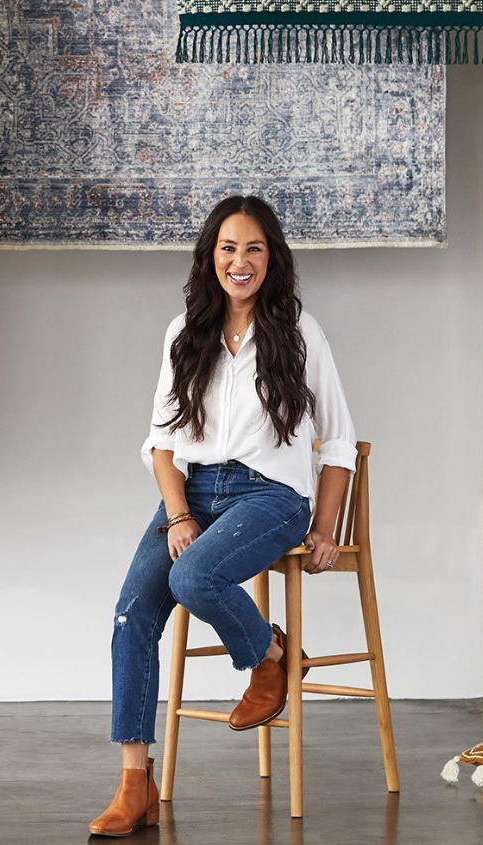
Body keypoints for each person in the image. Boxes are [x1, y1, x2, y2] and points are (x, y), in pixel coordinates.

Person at [88, 195, 357, 837]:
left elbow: (340, 440)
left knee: (193, 580)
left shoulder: (300, 332)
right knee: (132, 615)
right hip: (195, 494)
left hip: (271, 499)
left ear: (273, 259)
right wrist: (178, 515)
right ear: (211, 258)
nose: (241, 261)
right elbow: (160, 442)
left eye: (254, 248)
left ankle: (267, 657)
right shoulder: (185, 333)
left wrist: (325, 528)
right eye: (229, 249)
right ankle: (135, 784)